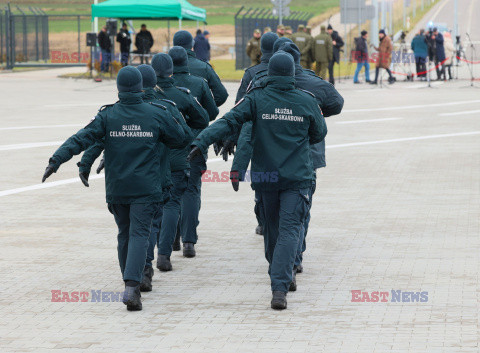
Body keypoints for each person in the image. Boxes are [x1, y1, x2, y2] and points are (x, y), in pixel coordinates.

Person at [188, 52, 327, 310]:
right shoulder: (307, 101)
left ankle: (279, 281)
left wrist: (201, 140)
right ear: (293, 74)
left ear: (270, 73)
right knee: (288, 231)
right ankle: (280, 284)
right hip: (297, 178)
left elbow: (229, 120)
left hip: (266, 177)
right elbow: (319, 133)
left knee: (272, 231)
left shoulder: (256, 99)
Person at [41, 66, 188, 311]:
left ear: (118, 88)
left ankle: (129, 281)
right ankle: (132, 286)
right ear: (142, 87)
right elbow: (180, 138)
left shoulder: (107, 116)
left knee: (124, 233)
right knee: (140, 234)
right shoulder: (157, 113)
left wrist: (56, 159)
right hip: (146, 187)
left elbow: (81, 138)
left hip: (118, 188)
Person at [232, 40, 344, 272]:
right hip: (307, 156)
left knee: (273, 213)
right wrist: (317, 113)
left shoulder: (258, 81)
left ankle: (283, 260)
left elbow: (241, 114)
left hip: (271, 156)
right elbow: (337, 103)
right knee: (301, 209)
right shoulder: (314, 82)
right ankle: (295, 257)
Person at [173, 30, 228, 107]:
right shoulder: (205, 67)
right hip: (198, 116)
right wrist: (204, 111)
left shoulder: (164, 67)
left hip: (170, 116)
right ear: (192, 46)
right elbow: (222, 95)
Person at [236, 32, 279, 103]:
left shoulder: (250, 73)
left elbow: (239, 102)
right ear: (277, 48)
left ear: (261, 48)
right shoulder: (287, 73)